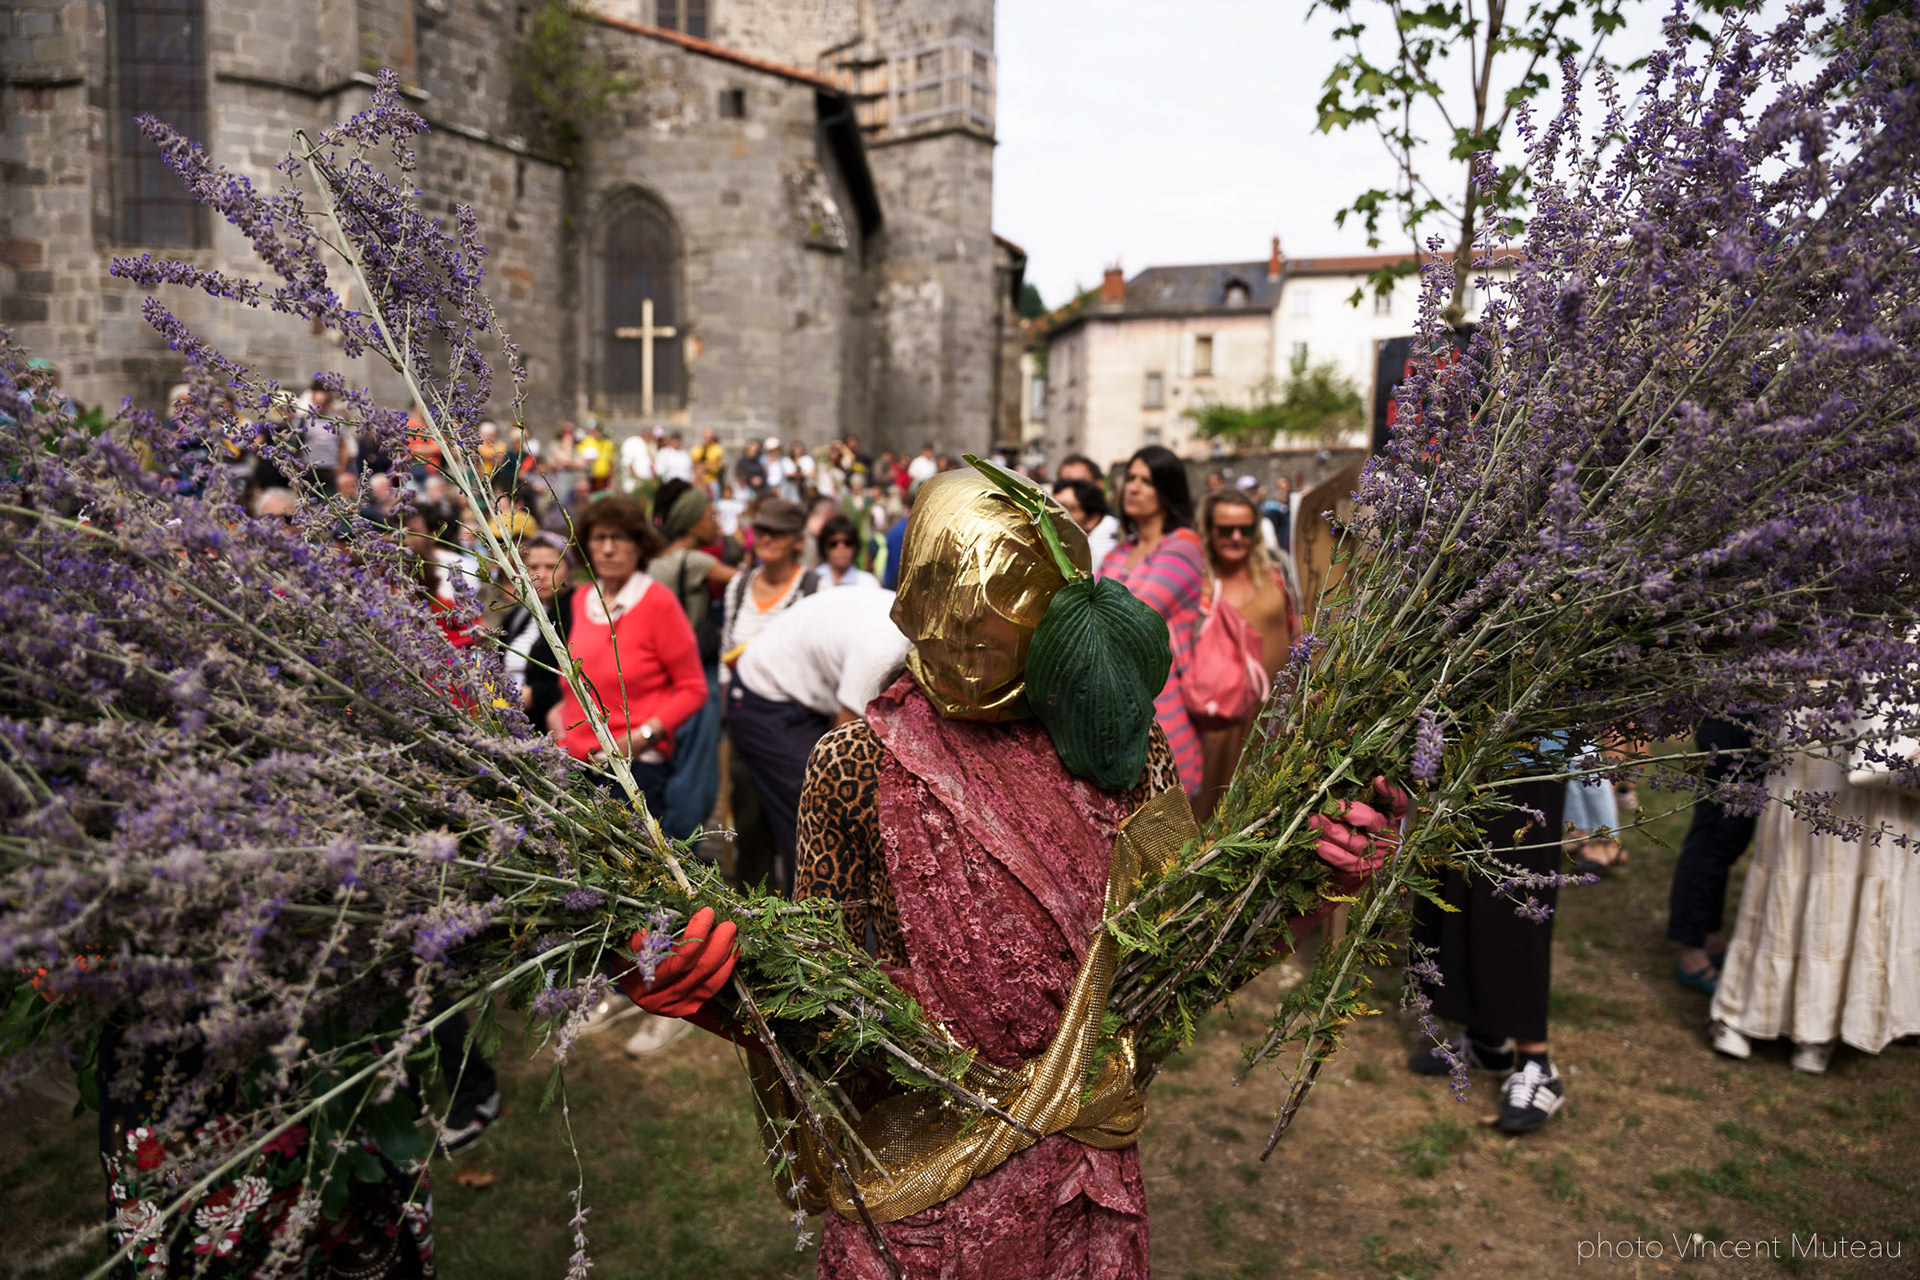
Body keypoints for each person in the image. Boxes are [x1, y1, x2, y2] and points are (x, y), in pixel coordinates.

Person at [613, 466, 1400, 1279]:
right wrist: (724, 997)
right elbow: (827, 994)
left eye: (996, 620)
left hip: (1083, 1191)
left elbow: (1182, 967)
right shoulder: (854, 764)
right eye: (952, 613)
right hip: (916, 1191)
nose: (968, 642)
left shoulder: (1119, 751)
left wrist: (1311, 878)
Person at [1708, 725, 1920, 1073]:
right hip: (1820, 731)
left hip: (1877, 739)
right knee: (1794, 869)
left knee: (1850, 879)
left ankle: (1818, 1028)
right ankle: (1753, 1015)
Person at [523, 496, 707, 816]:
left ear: (639, 545)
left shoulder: (658, 602)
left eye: (618, 538)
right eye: (599, 538)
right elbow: (572, 673)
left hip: (633, 771)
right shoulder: (581, 599)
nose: (608, 549)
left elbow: (694, 689)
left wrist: (642, 736)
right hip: (574, 765)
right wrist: (557, 714)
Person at [1406, 777, 1570, 1134]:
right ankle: (1487, 1040)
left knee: (1516, 894)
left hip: (1534, 747)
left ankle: (1536, 1063)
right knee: (1458, 886)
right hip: (1471, 744)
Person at [727, 587, 909, 898]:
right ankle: (814, 931)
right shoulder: (882, 650)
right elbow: (842, 754)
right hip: (766, 697)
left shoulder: (910, 625)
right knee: (820, 818)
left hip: (806, 691)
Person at [1097, 445, 1206, 797]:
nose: (1133, 487)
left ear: (1167, 490)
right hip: (1113, 723)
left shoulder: (1182, 546)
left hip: (1162, 720)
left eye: (1147, 481)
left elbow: (1133, 616)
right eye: (1130, 478)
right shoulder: (1121, 551)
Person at [720, 498, 817, 891]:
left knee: (796, 830)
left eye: (776, 532)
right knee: (747, 827)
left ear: (797, 540)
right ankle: (753, 925)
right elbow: (725, 648)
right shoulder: (739, 585)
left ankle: (801, 924)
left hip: (791, 726)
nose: (766, 538)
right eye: (760, 530)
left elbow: (815, 660)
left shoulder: (812, 588)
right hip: (743, 723)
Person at [1193, 488, 1297, 822]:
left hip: (1272, 722)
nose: (1236, 537)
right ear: (1209, 531)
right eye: (1225, 530)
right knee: (1209, 816)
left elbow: (1297, 628)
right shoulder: (1196, 579)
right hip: (1214, 728)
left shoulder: (1276, 570)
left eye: (1245, 529)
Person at [649, 480, 738, 842]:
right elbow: (750, 583)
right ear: (689, 523)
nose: (715, 523)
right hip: (694, 672)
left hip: (662, 673)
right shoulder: (697, 561)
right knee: (698, 765)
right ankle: (681, 844)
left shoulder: (657, 562)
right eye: (709, 516)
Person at [1666, 719, 1760, 995]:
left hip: (1754, 719)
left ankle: (1710, 935)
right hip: (1732, 718)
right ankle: (1692, 952)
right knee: (1714, 834)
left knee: (1731, 837)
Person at [496, 530, 568, 712]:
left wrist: (535, 695)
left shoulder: (575, 612)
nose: (541, 575)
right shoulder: (521, 614)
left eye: (551, 567)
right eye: (533, 567)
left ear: (570, 569)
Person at [1052, 476, 1121, 570]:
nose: (1053, 514)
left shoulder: (1105, 551)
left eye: (1066, 509)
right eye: (1051, 506)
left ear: (1092, 520)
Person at [812, 513, 880, 589]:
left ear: (855, 547)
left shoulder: (868, 583)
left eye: (848, 543)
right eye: (833, 543)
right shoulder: (811, 582)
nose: (841, 548)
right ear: (824, 547)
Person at [692, 426, 726, 491]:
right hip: (700, 481)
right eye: (706, 434)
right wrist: (707, 465)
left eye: (709, 435)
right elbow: (694, 462)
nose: (708, 437)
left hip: (711, 481)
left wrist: (703, 466)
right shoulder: (698, 448)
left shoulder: (717, 449)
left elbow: (716, 467)